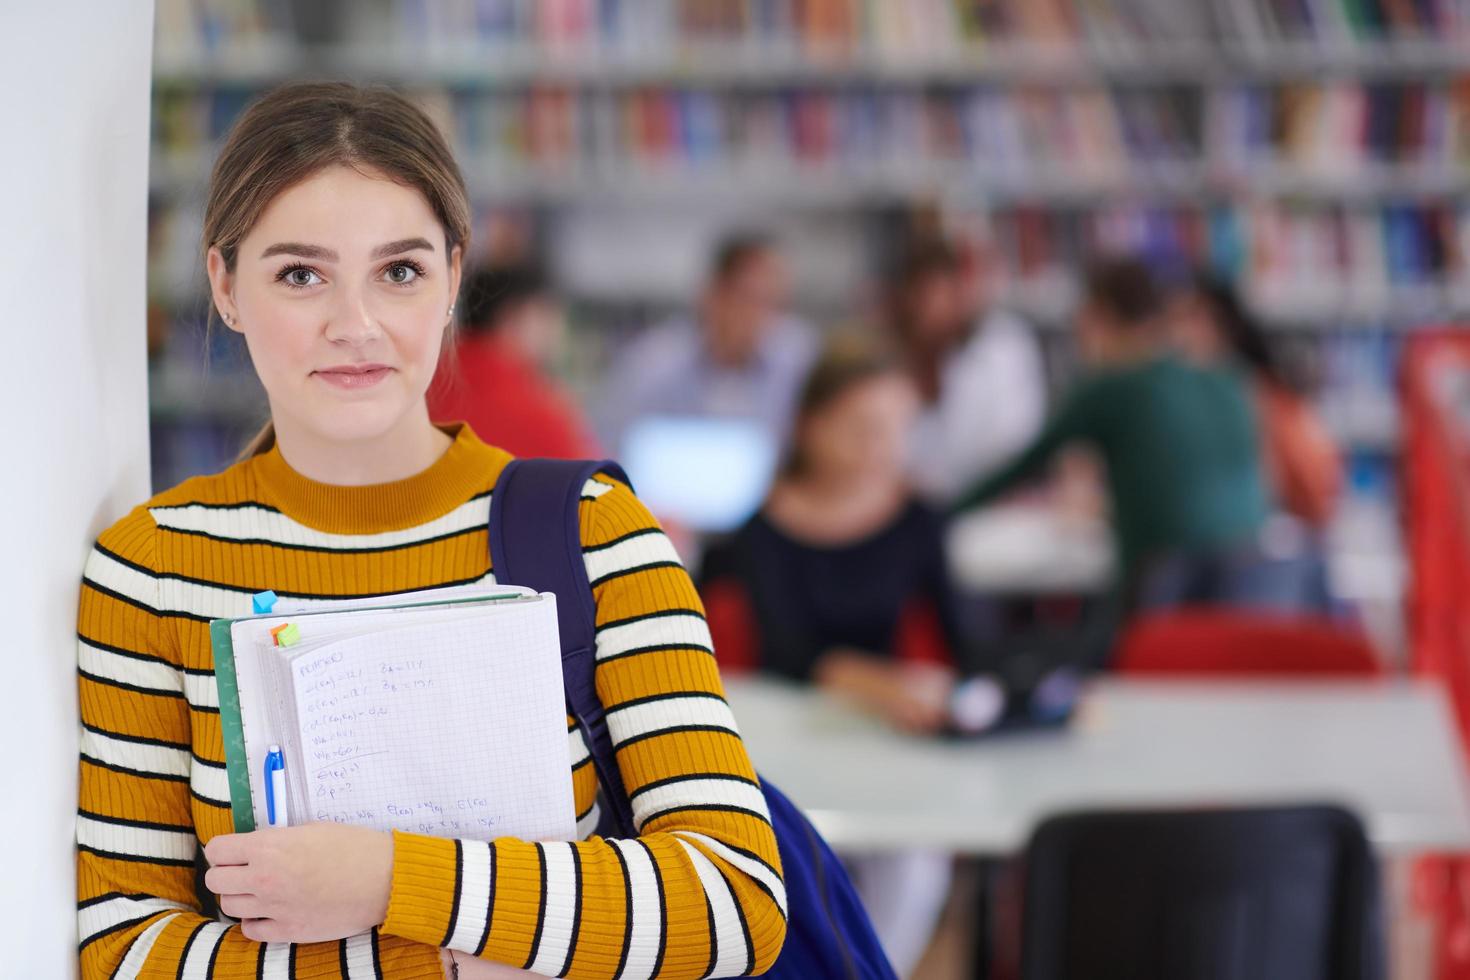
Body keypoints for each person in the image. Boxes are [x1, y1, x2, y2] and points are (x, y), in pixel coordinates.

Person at [76, 82, 784, 980]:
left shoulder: (598, 538)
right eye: (301, 274)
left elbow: (733, 901)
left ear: (452, 278)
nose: (355, 325)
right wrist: (432, 961)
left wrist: (387, 879)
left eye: (399, 271)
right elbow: (123, 948)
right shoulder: (151, 571)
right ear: (225, 287)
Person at [700, 339, 963, 976]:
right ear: (811, 427)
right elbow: (782, 646)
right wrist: (861, 677)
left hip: (888, 743)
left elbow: (967, 641)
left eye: (896, 431)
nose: (882, 451)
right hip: (784, 744)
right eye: (863, 430)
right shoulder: (758, 532)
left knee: (917, 860)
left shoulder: (918, 519)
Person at [953, 257, 1296, 618]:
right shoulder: (1230, 380)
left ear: (1097, 317)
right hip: (1259, 597)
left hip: (1164, 600)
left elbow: (1021, 467)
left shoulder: (1112, 388)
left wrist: (937, 516)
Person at [594, 235, 817, 458]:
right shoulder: (650, 364)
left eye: (775, 302)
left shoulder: (800, 361)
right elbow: (608, 448)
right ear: (711, 293)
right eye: (749, 298)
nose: (760, 315)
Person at [1171, 272, 1344, 530]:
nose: (1175, 334)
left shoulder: (1254, 393)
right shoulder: (1199, 390)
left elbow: (1311, 486)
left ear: (1217, 324)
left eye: (1187, 320)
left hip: (1266, 540)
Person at [886, 238, 1048, 505]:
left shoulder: (1000, 347)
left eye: (945, 293)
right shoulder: (894, 358)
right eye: (924, 296)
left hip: (990, 505)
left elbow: (1013, 443)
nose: (935, 309)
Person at [427, 263, 601, 459]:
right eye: (547, 315)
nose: (556, 331)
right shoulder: (539, 412)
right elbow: (593, 483)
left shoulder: (420, 389)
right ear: (513, 318)